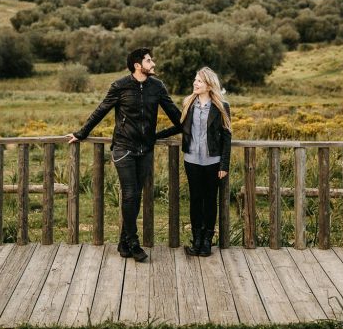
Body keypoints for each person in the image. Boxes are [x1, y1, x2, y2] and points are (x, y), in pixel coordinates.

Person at [66, 47, 182, 262]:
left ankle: (123, 242)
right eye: (149, 61)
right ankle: (134, 242)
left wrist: (156, 136)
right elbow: (101, 110)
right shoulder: (120, 86)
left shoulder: (157, 87)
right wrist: (81, 134)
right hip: (123, 148)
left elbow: (178, 119)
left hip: (145, 150)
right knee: (130, 193)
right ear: (138, 65)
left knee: (135, 196)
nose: (153, 63)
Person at [157, 66, 231, 257]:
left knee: (210, 201)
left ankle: (207, 241)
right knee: (195, 200)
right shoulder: (188, 103)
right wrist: (154, 136)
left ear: (209, 85)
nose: (195, 83)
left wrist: (224, 165)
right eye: (195, 80)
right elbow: (180, 127)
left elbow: (226, 137)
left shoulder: (222, 107)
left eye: (199, 81)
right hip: (191, 160)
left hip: (213, 161)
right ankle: (196, 239)